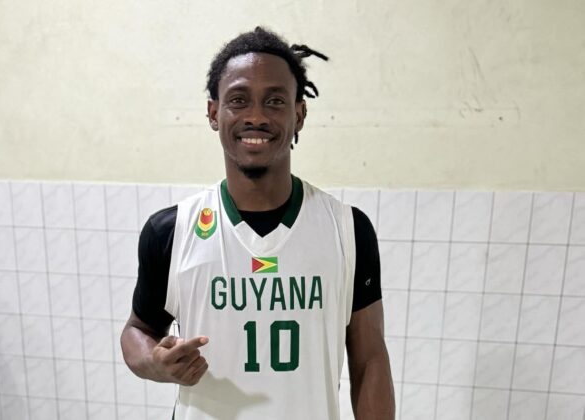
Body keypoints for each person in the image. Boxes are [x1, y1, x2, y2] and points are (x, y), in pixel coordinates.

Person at [120, 27, 395, 420]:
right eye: (238, 100)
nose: (256, 116)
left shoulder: (348, 230)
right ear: (213, 113)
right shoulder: (171, 231)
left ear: (299, 115)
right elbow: (138, 331)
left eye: (275, 101)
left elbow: (370, 360)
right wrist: (154, 362)